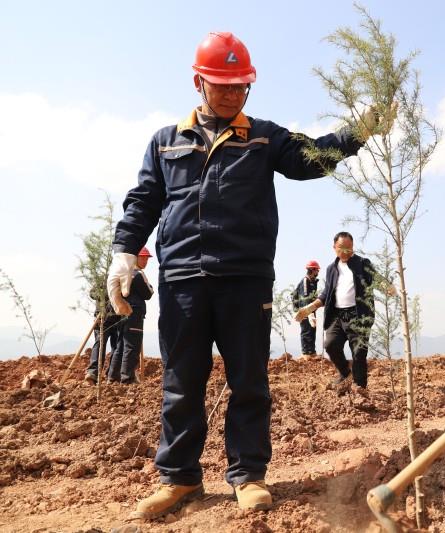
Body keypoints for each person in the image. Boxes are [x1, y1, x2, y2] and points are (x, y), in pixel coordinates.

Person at [106, 32, 386, 520]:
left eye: (241, 86)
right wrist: (123, 250)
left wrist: (357, 133)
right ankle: (179, 478)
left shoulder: (261, 135)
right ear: (199, 83)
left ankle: (248, 474)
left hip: (245, 279)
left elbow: (310, 158)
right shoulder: (166, 141)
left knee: (249, 380)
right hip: (184, 279)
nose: (234, 94)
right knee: (181, 380)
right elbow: (145, 200)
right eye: (223, 86)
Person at [295, 232, 381, 392]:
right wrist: (310, 308)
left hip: (358, 315)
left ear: (353, 248)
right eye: (342, 248)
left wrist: (389, 287)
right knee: (330, 344)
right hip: (338, 316)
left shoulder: (362, 263)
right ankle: (345, 373)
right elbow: (326, 293)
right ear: (334, 248)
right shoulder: (331, 269)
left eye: (349, 248)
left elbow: (376, 278)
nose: (346, 251)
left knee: (358, 353)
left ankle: (359, 389)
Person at [107, 247, 154, 384]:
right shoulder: (138, 274)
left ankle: (113, 376)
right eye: (143, 257)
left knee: (121, 345)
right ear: (134, 258)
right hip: (135, 313)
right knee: (132, 346)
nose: (145, 261)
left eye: (147, 258)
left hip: (122, 313)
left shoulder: (121, 273)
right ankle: (127, 378)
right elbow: (148, 293)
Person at [84, 294, 122, 385]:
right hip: (103, 316)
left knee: (116, 347)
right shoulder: (103, 280)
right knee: (100, 344)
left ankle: (113, 376)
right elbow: (93, 293)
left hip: (118, 317)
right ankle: (93, 373)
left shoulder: (121, 279)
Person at [292, 260, 321, 356]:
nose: (318, 272)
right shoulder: (306, 280)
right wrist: (308, 313)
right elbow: (305, 298)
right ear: (312, 269)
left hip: (311, 310)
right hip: (305, 310)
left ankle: (312, 352)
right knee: (306, 330)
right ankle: (306, 353)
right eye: (317, 270)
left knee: (312, 330)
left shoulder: (313, 281)